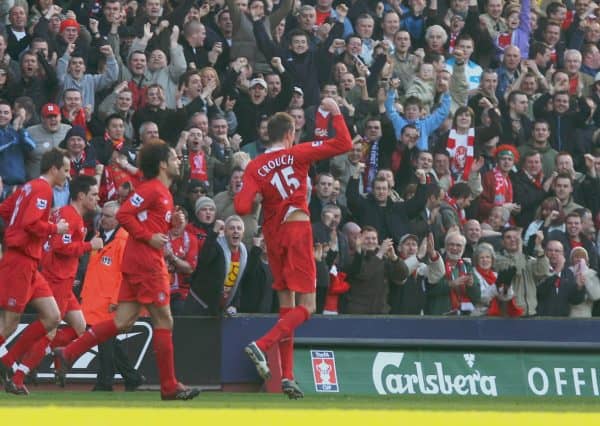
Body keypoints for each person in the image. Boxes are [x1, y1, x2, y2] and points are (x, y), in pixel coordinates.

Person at [54, 141, 200, 401]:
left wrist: (169, 224)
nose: (179, 161)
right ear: (163, 164)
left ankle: (68, 353)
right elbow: (124, 214)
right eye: (174, 158)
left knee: (122, 322)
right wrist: (149, 238)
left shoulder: (162, 192)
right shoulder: (153, 189)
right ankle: (169, 387)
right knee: (165, 321)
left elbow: (146, 221)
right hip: (147, 264)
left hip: (139, 262)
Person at [234, 97, 352, 399]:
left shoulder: (255, 166)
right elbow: (344, 144)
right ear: (289, 134)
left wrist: (257, 189)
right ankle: (261, 345)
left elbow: (242, 206)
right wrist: (335, 114)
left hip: (273, 237)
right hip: (298, 229)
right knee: (308, 307)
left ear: (267, 135)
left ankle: (287, 376)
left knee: (286, 308)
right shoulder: (297, 153)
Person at [4, 175, 104, 395]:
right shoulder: (71, 216)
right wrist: (90, 245)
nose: (98, 198)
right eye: (94, 195)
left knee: (80, 326)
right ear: (81, 196)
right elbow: (60, 246)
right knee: (48, 328)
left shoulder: (66, 214)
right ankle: (18, 374)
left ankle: (56, 355)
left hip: (64, 281)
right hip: (56, 279)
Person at [0, 148, 71, 385]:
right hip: (20, 260)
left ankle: (8, 362)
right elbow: (31, 224)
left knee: (52, 316)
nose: (68, 176)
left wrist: (40, 218)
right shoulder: (43, 189)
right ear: (54, 169)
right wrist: (54, 228)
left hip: (30, 260)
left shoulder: (28, 187)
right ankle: (7, 363)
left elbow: (6, 210)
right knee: (9, 322)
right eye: (66, 170)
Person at [79, 201, 146, 392]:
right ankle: (132, 377)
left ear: (118, 219)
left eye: (108, 216)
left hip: (108, 301)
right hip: (94, 299)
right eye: (103, 215)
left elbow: (124, 273)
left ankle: (105, 382)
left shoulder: (123, 241)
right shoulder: (99, 237)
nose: (103, 219)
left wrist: (117, 300)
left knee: (105, 343)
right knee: (109, 343)